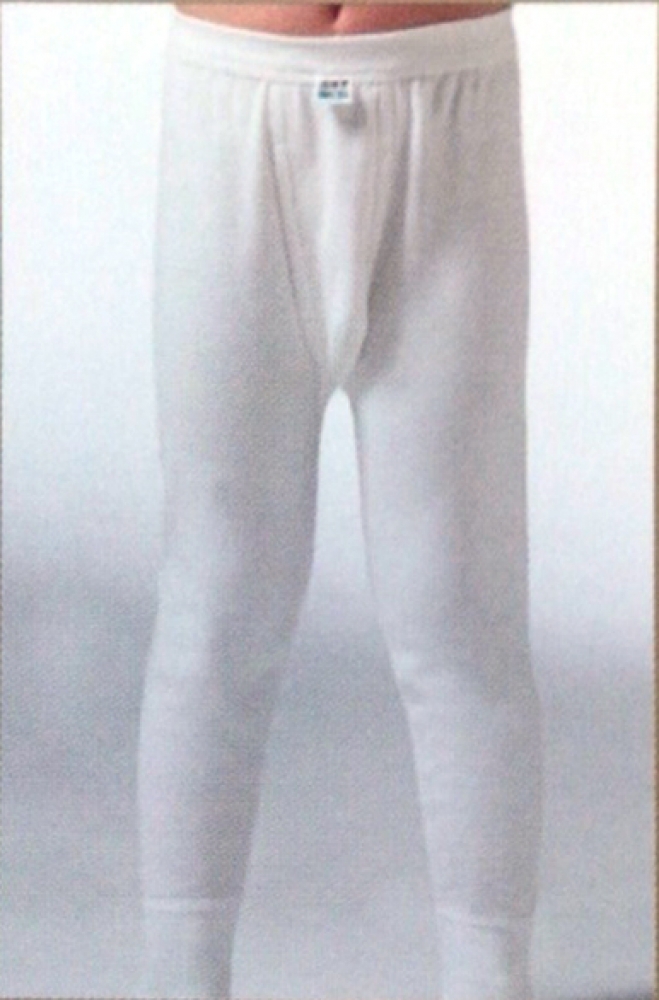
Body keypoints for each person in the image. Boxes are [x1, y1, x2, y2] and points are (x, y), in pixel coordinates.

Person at [136, 3, 545, 998]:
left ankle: (490, 981)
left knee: (461, 608)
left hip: (446, 87)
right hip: (236, 91)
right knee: (216, 604)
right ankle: (178, 979)